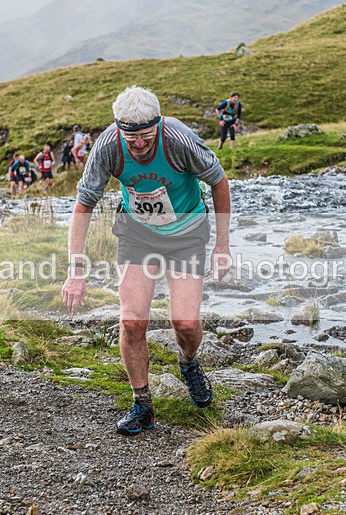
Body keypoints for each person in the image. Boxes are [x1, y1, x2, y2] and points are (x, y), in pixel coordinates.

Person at [62, 85, 232, 435]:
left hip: (187, 234)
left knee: (185, 324)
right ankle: (142, 405)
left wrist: (222, 246)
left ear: (158, 123)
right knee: (132, 321)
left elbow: (219, 182)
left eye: (146, 136)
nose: (139, 144)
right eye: (131, 137)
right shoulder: (108, 146)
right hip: (137, 234)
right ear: (119, 128)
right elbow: (84, 205)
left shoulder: (179, 140)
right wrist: (75, 271)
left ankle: (188, 362)